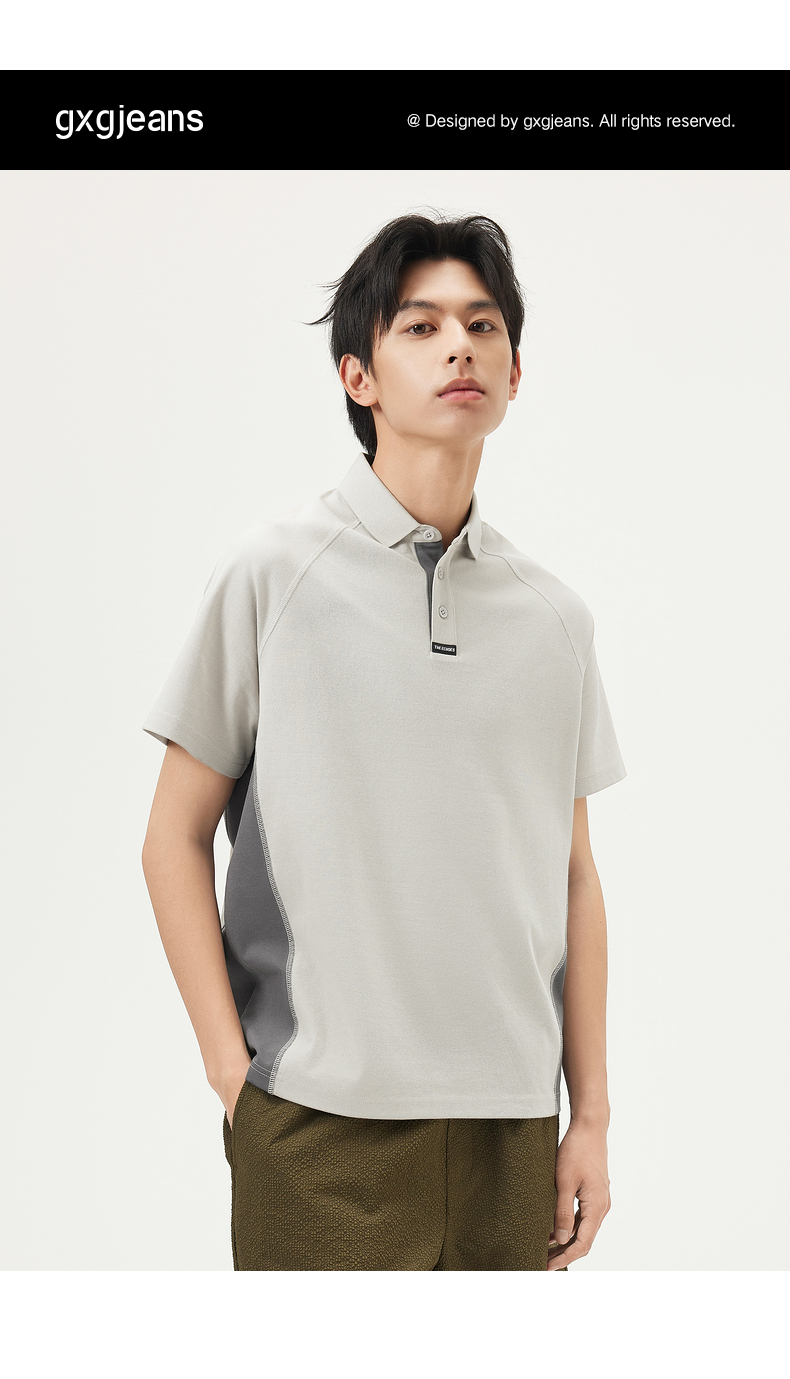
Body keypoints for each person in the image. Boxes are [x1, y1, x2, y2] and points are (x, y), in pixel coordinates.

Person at [141, 212, 627, 1271]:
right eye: (421, 326)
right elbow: (171, 837)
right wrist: (233, 1075)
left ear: (514, 373)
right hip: (317, 1126)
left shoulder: (556, 617)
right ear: (357, 376)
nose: (460, 347)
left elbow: (574, 875)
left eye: (483, 325)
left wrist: (587, 1114)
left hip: (511, 1128)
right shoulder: (273, 575)